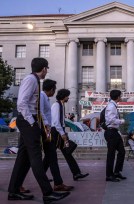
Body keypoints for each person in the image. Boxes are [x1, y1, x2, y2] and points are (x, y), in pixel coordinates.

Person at [8, 57, 70, 202]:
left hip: (32, 121)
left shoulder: (35, 81)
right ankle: (47, 193)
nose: (47, 71)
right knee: (35, 156)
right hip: (28, 121)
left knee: (23, 157)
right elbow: (22, 103)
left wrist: (44, 123)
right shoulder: (31, 80)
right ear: (43, 69)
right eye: (47, 68)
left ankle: (14, 191)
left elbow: (35, 106)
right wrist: (32, 123)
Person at [40, 79, 74, 191]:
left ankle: (55, 182)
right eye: (54, 89)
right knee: (48, 157)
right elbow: (54, 120)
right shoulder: (53, 103)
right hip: (51, 132)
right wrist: (62, 134)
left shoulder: (48, 100)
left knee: (51, 157)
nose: (68, 98)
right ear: (51, 89)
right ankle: (48, 181)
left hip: (50, 130)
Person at [49, 89, 89, 181]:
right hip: (56, 132)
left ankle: (76, 173)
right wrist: (62, 134)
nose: (68, 97)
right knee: (51, 154)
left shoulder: (61, 105)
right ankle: (42, 175)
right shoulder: (56, 105)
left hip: (59, 131)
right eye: (67, 96)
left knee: (67, 153)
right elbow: (55, 122)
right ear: (63, 96)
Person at [104, 90, 126, 182]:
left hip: (114, 132)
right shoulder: (111, 106)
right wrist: (121, 121)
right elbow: (111, 120)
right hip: (111, 132)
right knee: (111, 155)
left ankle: (117, 172)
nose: (121, 97)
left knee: (122, 151)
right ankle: (109, 175)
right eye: (120, 96)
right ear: (117, 97)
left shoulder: (113, 106)